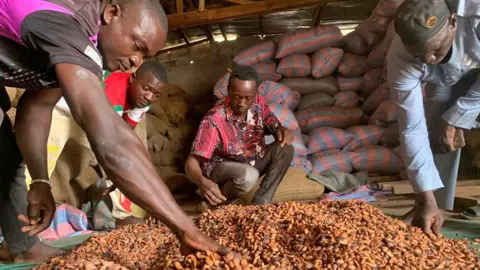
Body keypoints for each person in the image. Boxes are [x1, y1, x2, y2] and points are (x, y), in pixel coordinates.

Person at [0, 0, 226, 263]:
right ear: (112, 13)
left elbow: (37, 104)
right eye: (137, 46)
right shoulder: (64, 25)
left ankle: (22, 246)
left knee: (7, 156)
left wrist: (40, 181)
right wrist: (185, 228)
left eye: (144, 57)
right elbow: (111, 140)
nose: (135, 61)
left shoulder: (78, 44)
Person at [387, 0, 480, 234]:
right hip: (444, 78)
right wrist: (423, 197)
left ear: (452, 22)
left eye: (434, 49)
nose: (428, 58)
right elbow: (412, 128)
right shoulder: (399, 57)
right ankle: (434, 206)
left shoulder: (476, 18)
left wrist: (457, 117)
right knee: (436, 134)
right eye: (419, 53)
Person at [185, 66, 294, 206]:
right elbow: (191, 162)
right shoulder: (214, 119)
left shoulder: (259, 102)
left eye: (248, 98)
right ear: (229, 90)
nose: (242, 103)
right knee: (248, 176)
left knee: (286, 149)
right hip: (222, 171)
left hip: (253, 162)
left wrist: (281, 129)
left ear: (255, 93)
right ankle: (217, 203)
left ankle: (260, 204)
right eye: (237, 97)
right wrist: (203, 182)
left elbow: (273, 123)